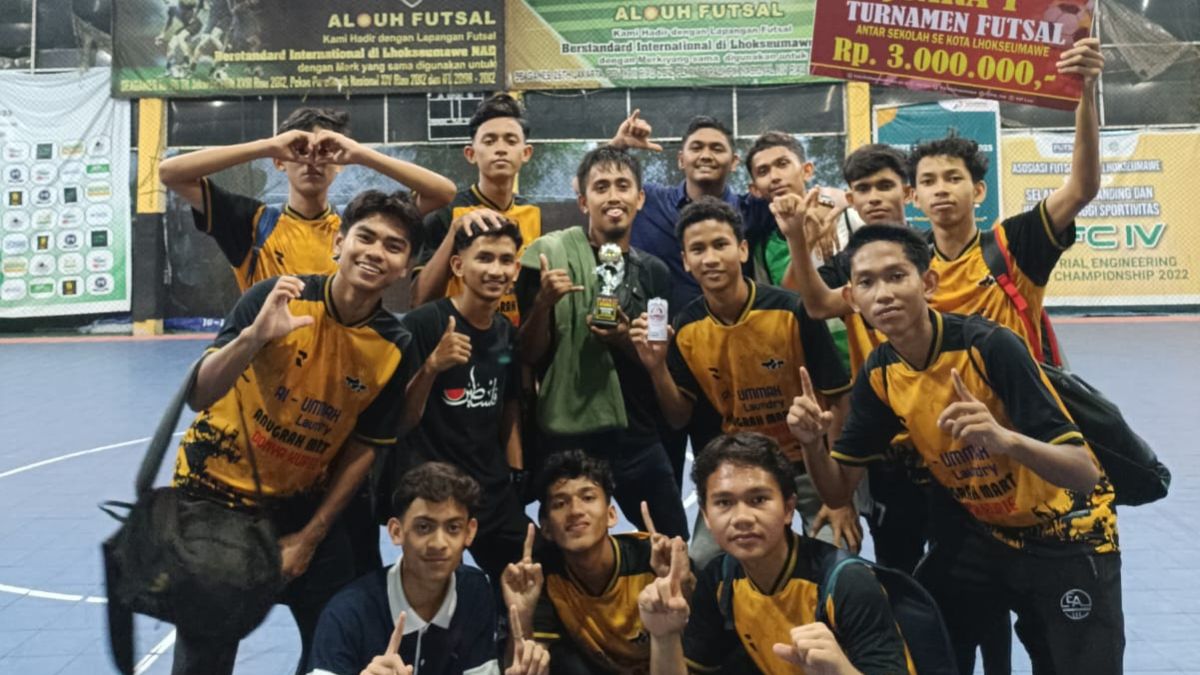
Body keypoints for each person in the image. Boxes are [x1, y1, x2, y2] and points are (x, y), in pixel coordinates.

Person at [790, 224, 1122, 674]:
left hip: (1067, 533)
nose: (883, 293)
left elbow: (1082, 471)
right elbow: (835, 491)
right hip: (987, 536)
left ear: (928, 283)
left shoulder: (989, 346)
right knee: (932, 637)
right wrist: (811, 444)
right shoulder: (880, 374)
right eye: (867, 282)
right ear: (851, 299)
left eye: (896, 276)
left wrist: (1005, 440)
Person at [169, 190, 422, 675]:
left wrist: (310, 536)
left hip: (300, 503)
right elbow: (199, 394)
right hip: (214, 496)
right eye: (366, 237)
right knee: (204, 656)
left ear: (405, 268)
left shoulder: (395, 344)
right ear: (339, 244)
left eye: (393, 246)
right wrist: (254, 337)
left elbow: (364, 448)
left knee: (340, 637)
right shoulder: (277, 297)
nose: (375, 252)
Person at [629, 197, 854, 566]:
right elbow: (678, 416)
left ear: (743, 250)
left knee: (838, 559)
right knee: (701, 563)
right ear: (685, 261)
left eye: (721, 244)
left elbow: (839, 398)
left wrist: (839, 496)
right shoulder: (686, 327)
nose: (710, 258)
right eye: (698, 249)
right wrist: (656, 367)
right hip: (735, 471)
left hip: (806, 466)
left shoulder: (791, 310)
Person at [515, 146, 688, 540]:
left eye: (623, 186)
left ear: (639, 198)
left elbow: (656, 359)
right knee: (567, 548)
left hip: (636, 434)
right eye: (601, 187)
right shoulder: (549, 259)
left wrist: (624, 339)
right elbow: (528, 354)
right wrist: (543, 304)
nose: (613, 196)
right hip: (567, 434)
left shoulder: (655, 272)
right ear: (583, 201)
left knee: (673, 542)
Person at [637, 432, 911, 675]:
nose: (742, 518)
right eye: (724, 503)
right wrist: (664, 637)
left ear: (789, 509)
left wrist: (841, 671)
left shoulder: (849, 584)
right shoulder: (720, 580)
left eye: (758, 499)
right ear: (706, 517)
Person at [915, 38, 1105, 361]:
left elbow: (1081, 189)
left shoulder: (1015, 244)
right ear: (915, 197)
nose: (941, 189)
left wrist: (1085, 93)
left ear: (979, 191)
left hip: (1013, 395)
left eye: (954, 178)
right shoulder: (909, 262)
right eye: (928, 181)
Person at [159, 106, 456, 292]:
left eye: (325, 152)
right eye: (300, 151)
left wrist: (360, 153)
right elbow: (170, 172)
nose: (312, 161)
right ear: (279, 161)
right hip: (268, 368)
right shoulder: (252, 222)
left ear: (339, 163)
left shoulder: (360, 226)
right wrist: (267, 146)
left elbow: (442, 192)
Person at [308, 461, 548, 675]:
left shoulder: (474, 592)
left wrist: (523, 618)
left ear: (469, 532)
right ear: (396, 531)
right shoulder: (347, 612)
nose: (438, 543)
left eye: (453, 528)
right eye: (424, 527)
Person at [397, 220, 532, 583]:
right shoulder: (423, 324)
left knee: (532, 572)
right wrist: (432, 366)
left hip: (492, 489)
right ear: (458, 265)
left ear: (516, 270)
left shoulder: (505, 332)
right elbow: (399, 419)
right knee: (437, 590)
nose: (495, 270)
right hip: (434, 491)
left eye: (505, 260)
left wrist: (516, 472)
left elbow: (508, 406)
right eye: (484, 258)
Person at [501, 450, 689, 674]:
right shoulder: (540, 578)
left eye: (588, 498)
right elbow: (520, 669)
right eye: (560, 503)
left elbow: (697, 639)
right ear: (547, 528)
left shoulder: (654, 559)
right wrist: (523, 614)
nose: (575, 511)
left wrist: (682, 584)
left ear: (611, 515)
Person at [411, 93, 542, 325]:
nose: (500, 149)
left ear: (526, 153)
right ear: (470, 154)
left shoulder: (533, 213)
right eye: (489, 141)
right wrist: (454, 233)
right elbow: (419, 300)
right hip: (456, 337)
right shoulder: (448, 213)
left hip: (511, 340)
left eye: (511, 141)